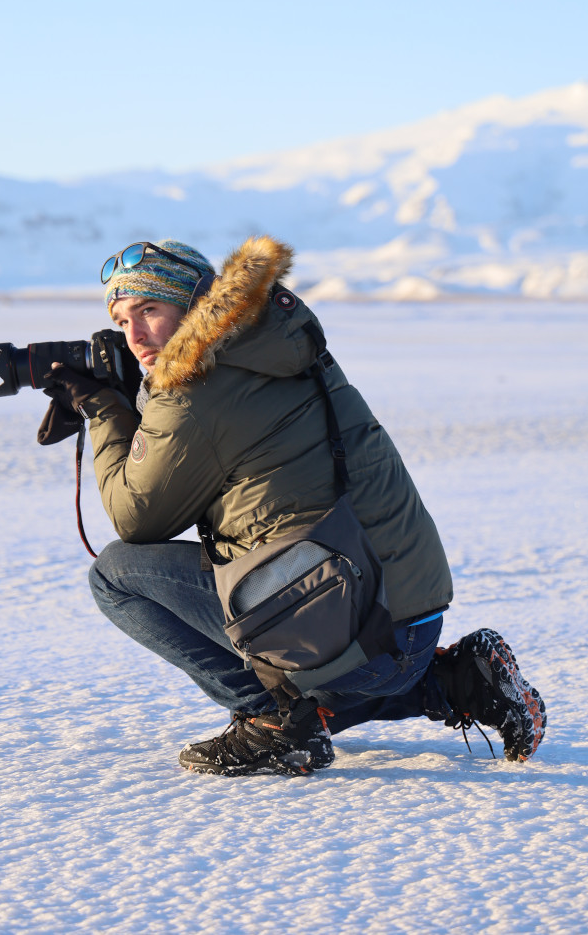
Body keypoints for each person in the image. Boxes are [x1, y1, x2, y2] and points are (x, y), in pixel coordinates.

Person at [45, 235, 547, 776]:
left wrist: (102, 408)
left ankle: (273, 724)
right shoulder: (272, 344)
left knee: (116, 574)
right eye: (122, 321)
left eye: (149, 310)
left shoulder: (196, 387)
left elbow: (136, 517)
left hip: (354, 624)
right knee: (317, 682)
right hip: (405, 625)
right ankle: (454, 683)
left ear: (195, 306)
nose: (136, 335)